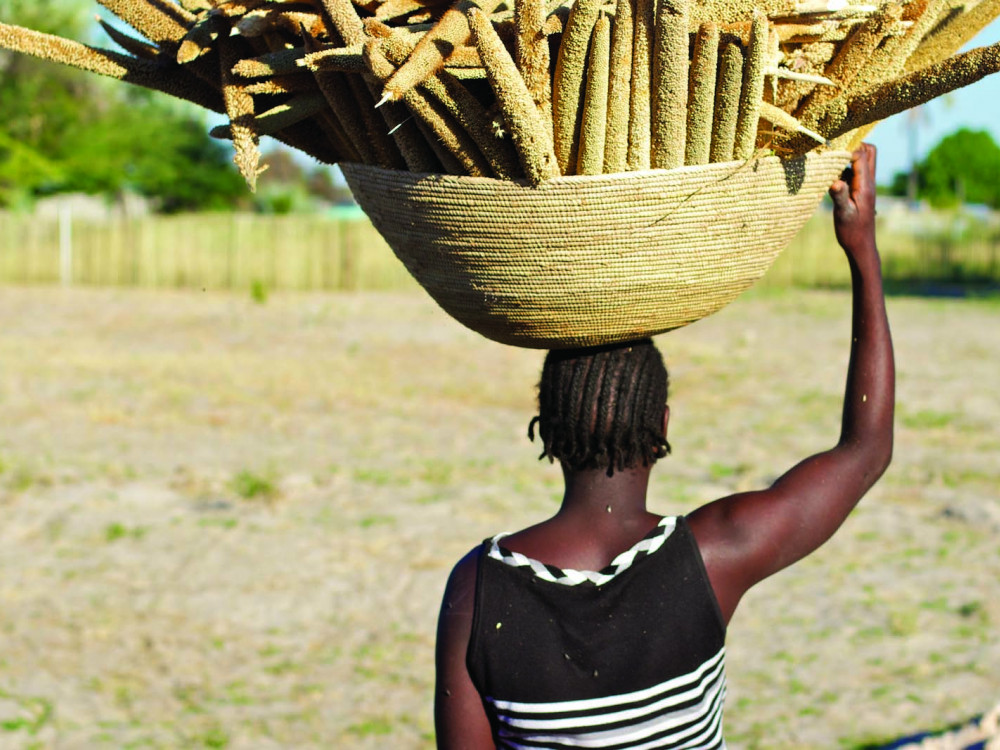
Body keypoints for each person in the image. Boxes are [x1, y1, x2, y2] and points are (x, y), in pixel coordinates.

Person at [434, 144, 894, 749]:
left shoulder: (478, 590)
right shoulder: (712, 556)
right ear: (663, 428)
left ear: (546, 430)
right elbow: (866, 451)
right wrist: (861, 246)